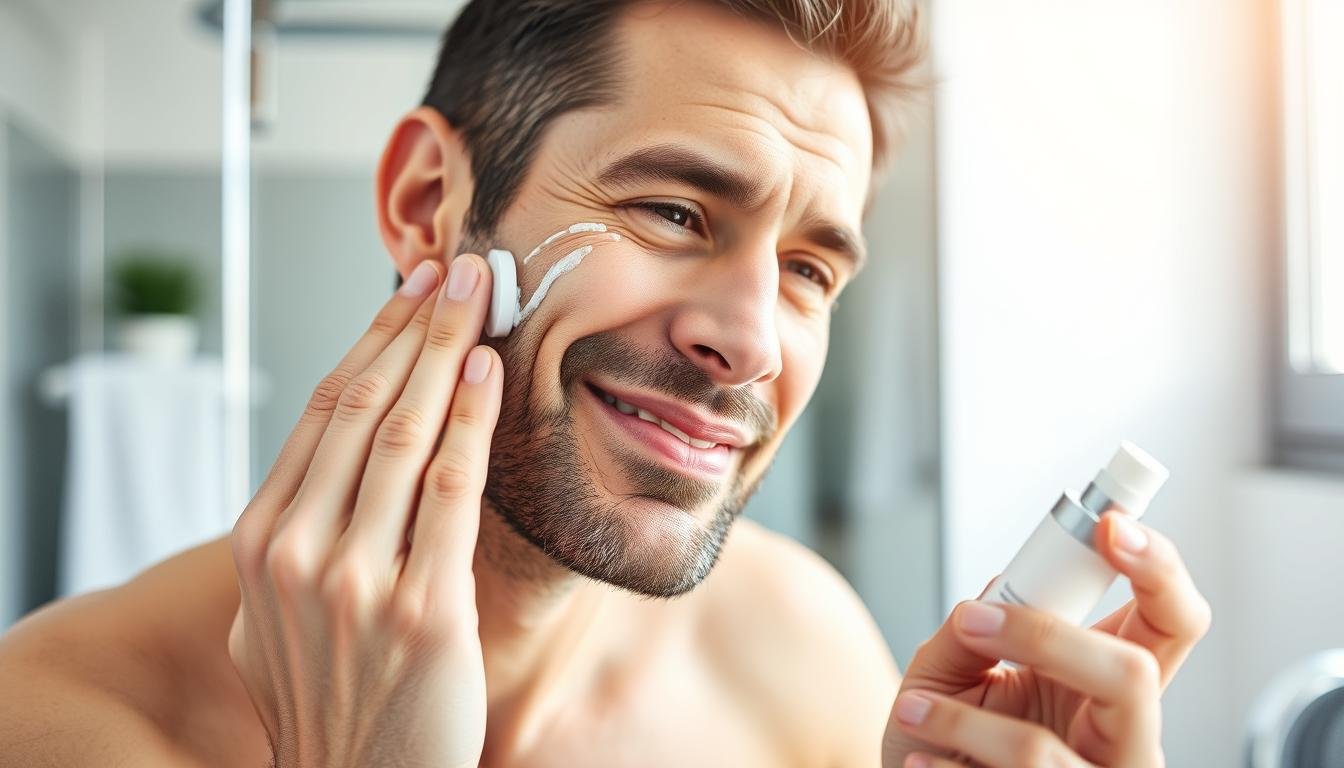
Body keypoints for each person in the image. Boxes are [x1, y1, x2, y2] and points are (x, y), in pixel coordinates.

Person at [0, 1, 1211, 766]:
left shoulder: (802, 654)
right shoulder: (55, 725)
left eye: (805, 270)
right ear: (430, 207)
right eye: (674, 209)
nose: (752, 341)